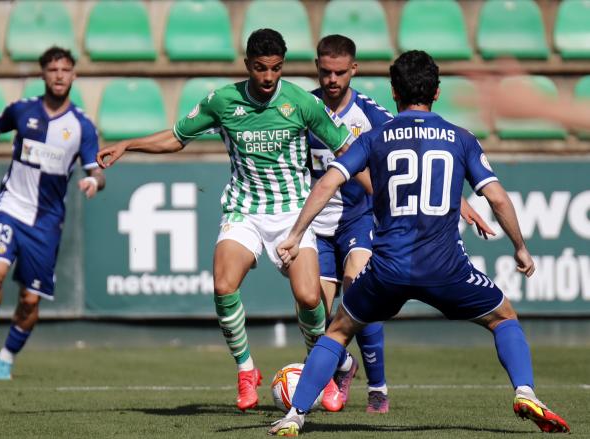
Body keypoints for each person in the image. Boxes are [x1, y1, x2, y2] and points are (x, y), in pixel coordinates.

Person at [269, 50, 569, 435]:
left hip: (387, 269)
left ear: (394, 92)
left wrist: (295, 235)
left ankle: (296, 415)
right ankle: (526, 391)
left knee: (339, 330)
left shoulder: (375, 137)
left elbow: (328, 182)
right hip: (445, 269)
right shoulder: (460, 138)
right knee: (503, 317)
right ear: (437, 92)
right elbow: (495, 197)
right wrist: (520, 247)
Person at [96, 29, 358, 412]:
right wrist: (127, 144)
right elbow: (176, 137)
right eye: (260, 68)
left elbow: (345, 150)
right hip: (245, 209)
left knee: (307, 296)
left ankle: (324, 369)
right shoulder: (223, 101)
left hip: (293, 213)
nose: (268, 77)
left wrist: (381, 190)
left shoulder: (302, 102)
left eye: (276, 69)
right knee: (223, 283)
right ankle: (246, 371)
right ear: (247, 64)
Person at [308, 35, 495, 414]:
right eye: (325, 71)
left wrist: (457, 202)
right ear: (317, 68)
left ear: (353, 70)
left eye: (340, 72)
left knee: (357, 286)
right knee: (312, 307)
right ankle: (343, 367)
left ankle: (377, 388)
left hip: (359, 218)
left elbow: (413, 158)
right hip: (318, 223)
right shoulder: (303, 109)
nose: (332, 79)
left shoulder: (371, 114)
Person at [0, 46, 105, 380]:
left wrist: (94, 183)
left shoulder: (82, 126)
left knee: (29, 300)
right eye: (53, 69)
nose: (59, 76)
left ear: (74, 75)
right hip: (11, 207)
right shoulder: (22, 110)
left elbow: (96, 169)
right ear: (42, 74)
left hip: (45, 223)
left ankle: (8, 357)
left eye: (66, 70)